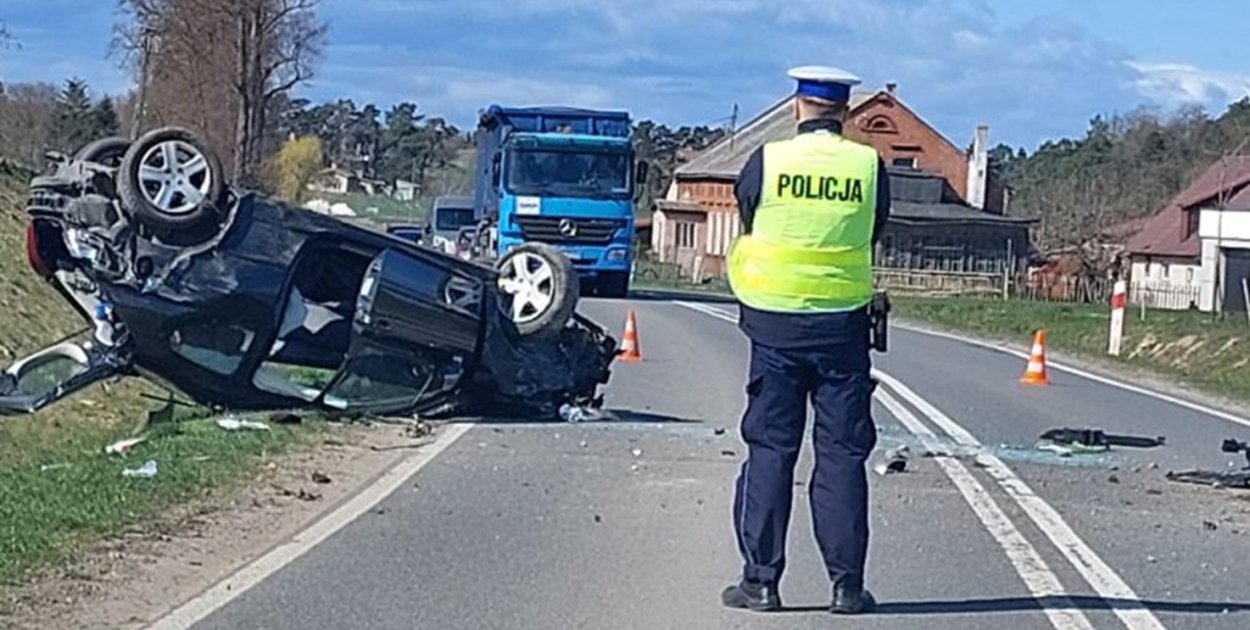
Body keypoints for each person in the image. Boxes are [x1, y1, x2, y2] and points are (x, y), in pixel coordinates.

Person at [721, 66, 891, 616]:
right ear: (843, 113)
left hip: (774, 326)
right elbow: (873, 229)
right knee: (841, 455)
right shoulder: (869, 166)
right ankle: (847, 588)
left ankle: (761, 582)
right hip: (842, 328)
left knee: (772, 449)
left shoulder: (767, 161)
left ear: (797, 106)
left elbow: (749, 217)